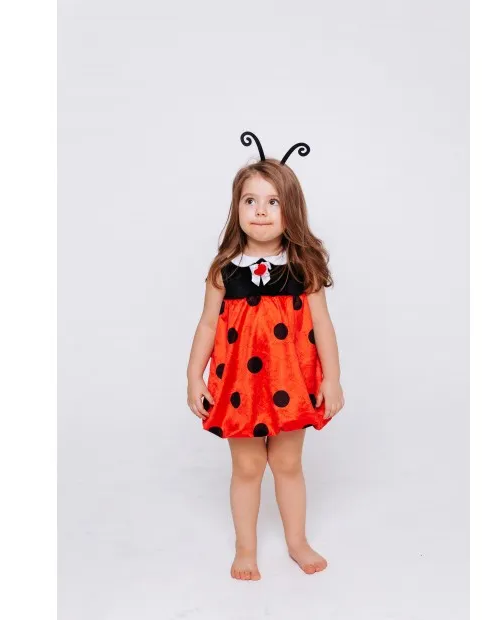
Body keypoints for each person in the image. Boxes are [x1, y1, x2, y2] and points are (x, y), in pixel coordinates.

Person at [186, 131, 345, 580]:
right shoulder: (224, 270)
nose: (260, 211)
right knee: (248, 465)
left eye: (273, 202)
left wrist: (332, 379)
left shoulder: (303, 268)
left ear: (291, 210)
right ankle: (246, 548)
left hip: (289, 384)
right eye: (250, 201)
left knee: (288, 463)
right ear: (236, 208)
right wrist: (194, 377)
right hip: (240, 387)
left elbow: (323, 326)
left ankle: (297, 541)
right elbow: (207, 325)